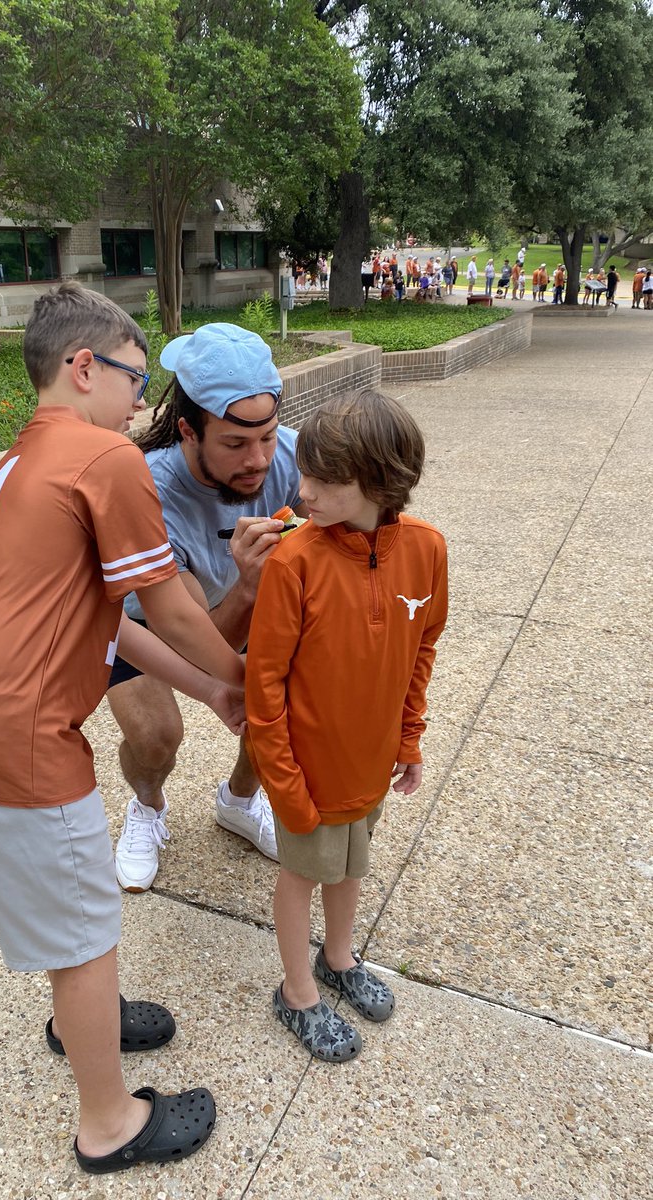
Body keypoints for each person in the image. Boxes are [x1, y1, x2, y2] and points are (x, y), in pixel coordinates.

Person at [0, 283, 250, 1174]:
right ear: (84, 366)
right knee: (88, 925)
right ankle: (110, 1125)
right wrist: (249, 673)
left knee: (75, 913)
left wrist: (212, 694)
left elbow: (115, 620)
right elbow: (174, 605)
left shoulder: (23, 462)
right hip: (20, 735)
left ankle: (82, 1022)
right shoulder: (106, 461)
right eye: (138, 380)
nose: (143, 402)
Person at [245, 390, 448, 1062]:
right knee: (301, 875)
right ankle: (297, 992)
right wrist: (284, 783)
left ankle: (338, 957)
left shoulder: (425, 550)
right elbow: (264, 682)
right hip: (307, 769)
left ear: (381, 481)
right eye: (303, 474)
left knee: (352, 864)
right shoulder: (294, 560)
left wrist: (409, 736)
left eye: (324, 481)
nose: (303, 492)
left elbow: (422, 647)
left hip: (370, 764)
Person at [107, 323, 306, 892]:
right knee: (156, 735)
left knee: (282, 706)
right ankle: (147, 807)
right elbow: (192, 636)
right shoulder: (149, 492)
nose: (259, 460)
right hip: (155, 626)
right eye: (236, 444)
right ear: (189, 432)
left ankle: (240, 802)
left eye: (267, 437)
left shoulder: (290, 459)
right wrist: (246, 585)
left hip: (240, 605)